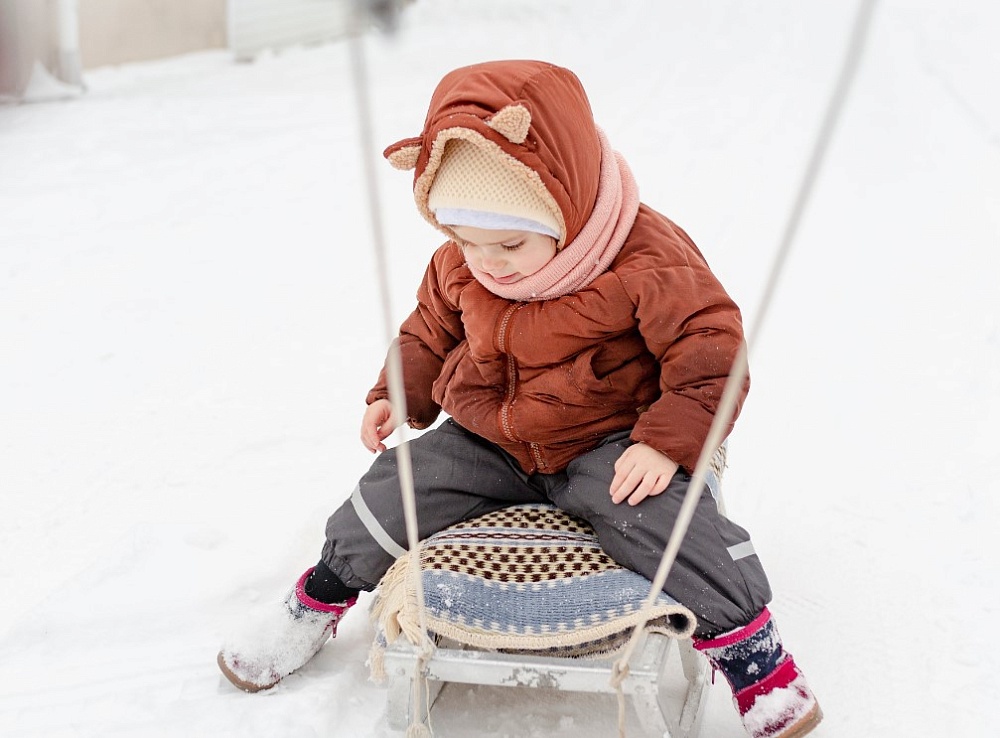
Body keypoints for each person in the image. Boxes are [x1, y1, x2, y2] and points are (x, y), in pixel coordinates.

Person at [217, 60, 822, 738]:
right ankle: (315, 602)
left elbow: (710, 347)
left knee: (661, 517)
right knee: (400, 484)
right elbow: (428, 327)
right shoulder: (462, 261)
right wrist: (397, 390)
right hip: (494, 439)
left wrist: (663, 439)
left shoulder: (643, 258)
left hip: (609, 437)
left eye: (509, 242)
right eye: (465, 241)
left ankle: (753, 655)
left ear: (568, 208)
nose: (489, 262)